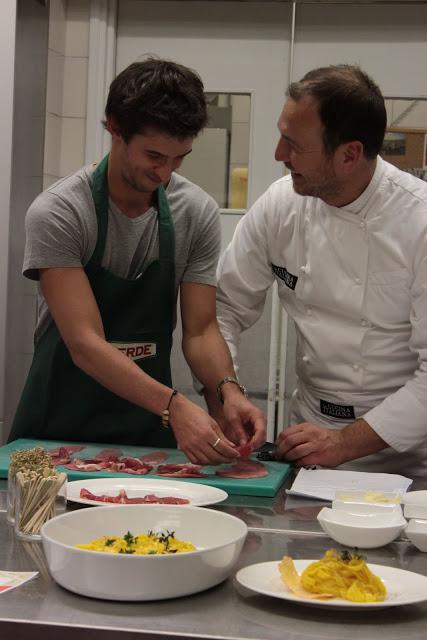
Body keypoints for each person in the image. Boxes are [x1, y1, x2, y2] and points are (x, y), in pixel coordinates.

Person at [9, 58, 266, 464]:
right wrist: (176, 406)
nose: (165, 173)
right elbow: (86, 344)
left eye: (179, 158)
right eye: (154, 156)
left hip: (146, 430)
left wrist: (227, 391)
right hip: (58, 426)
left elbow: (200, 331)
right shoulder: (60, 212)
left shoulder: (195, 212)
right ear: (114, 127)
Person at [212, 64, 427, 476]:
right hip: (309, 440)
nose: (278, 155)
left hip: (405, 458)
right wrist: (227, 390)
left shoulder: (418, 221)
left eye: (293, 144)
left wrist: (345, 443)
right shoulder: (281, 206)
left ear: (349, 154)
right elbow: (224, 309)